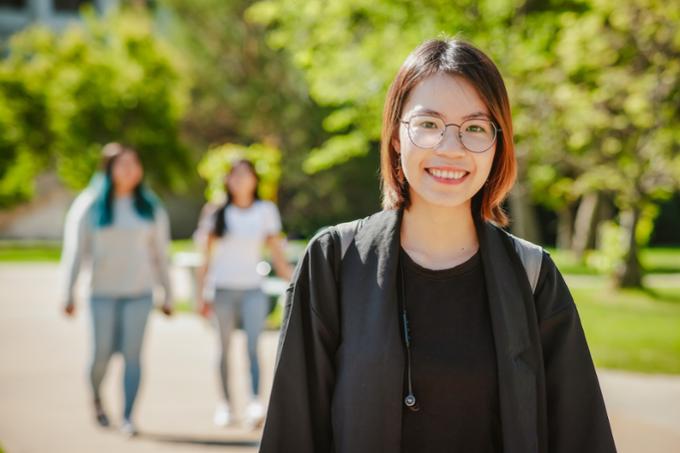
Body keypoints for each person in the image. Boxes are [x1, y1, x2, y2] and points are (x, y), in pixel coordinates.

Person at [259, 39, 617, 453]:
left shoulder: (532, 274)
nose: (451, 148)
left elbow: (580, 434)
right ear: (396, 136)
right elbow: (293, 432)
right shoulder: (334, 262)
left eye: (475, 128)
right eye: (428, 124)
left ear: (498, 143)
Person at [61, 143, 173, 437]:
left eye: (134, 163)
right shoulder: (89, 205)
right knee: (101, 356)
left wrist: (168, 292)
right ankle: (97, 396)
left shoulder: (150, 206)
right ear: (109, 169)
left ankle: (128, 416)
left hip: (139, 293)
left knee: (133, 356)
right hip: (102, 294)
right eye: (122, 164)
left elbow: (161, 254)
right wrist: (68, 293)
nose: (129, 170)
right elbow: (75, 252)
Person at [195, 159, 292, 429]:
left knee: (253, 347)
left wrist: (297, 280)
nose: (240, 180)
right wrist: (200, 295)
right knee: (223, 349)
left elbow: (276, 254)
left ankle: (254, 403)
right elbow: (205, 258)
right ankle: (225, 404)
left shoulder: (265, 210)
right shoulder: (216, 211)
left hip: (253, 290)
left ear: (254, 180)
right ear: (227, 181)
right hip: (222, 290)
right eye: (235, 176)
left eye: (245, 175)